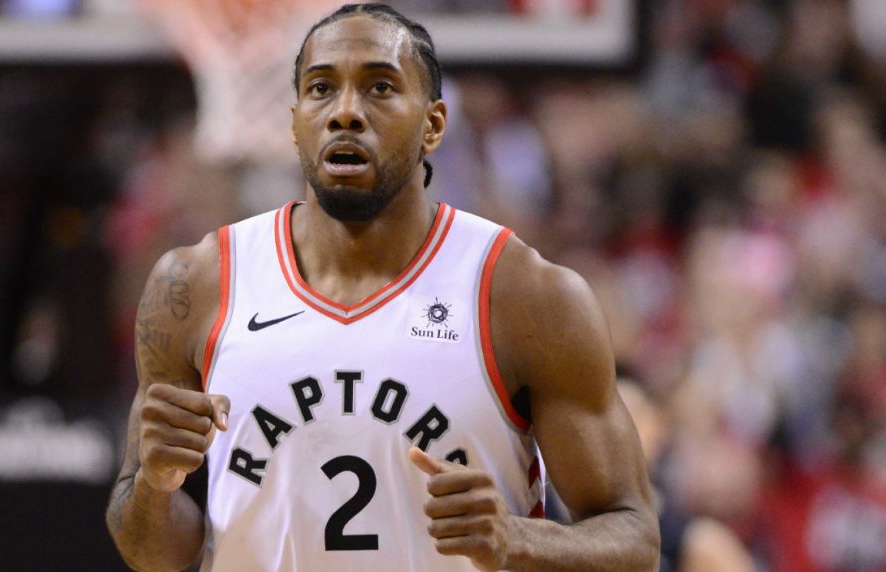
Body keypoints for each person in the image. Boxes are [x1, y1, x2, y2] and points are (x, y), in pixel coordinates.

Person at [106, 4, 659, 571]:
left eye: (379, 87)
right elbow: (153, 554)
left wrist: (517, 538)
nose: (346, 111)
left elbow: (634, 541)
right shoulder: (196, 284)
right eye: (322, 89)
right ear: (294, 122)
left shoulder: (525, 296)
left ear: (434, 124)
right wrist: (155, 482)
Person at [617, 379, 755, 572]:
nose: (616, 430)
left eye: (630, 414)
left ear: (657, 427)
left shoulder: (699, 544)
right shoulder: (569, 525)